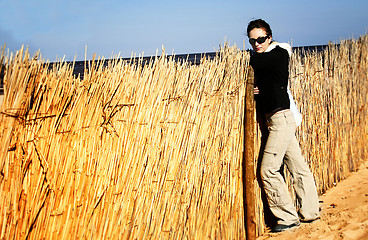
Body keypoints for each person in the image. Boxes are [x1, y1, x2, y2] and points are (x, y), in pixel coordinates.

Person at [247, 19, 320, 233]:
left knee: (268, 169)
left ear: (269, 37)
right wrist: (256, 91)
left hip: (282, 120)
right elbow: (264, 78)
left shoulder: (278, 54)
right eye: (252, 41)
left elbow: (260, 62)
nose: (257, 44)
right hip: (275, 120)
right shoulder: (264, 59)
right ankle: (310, 212)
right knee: (298, 168)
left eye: (261, 39)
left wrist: (254, 62)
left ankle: (288, 217)